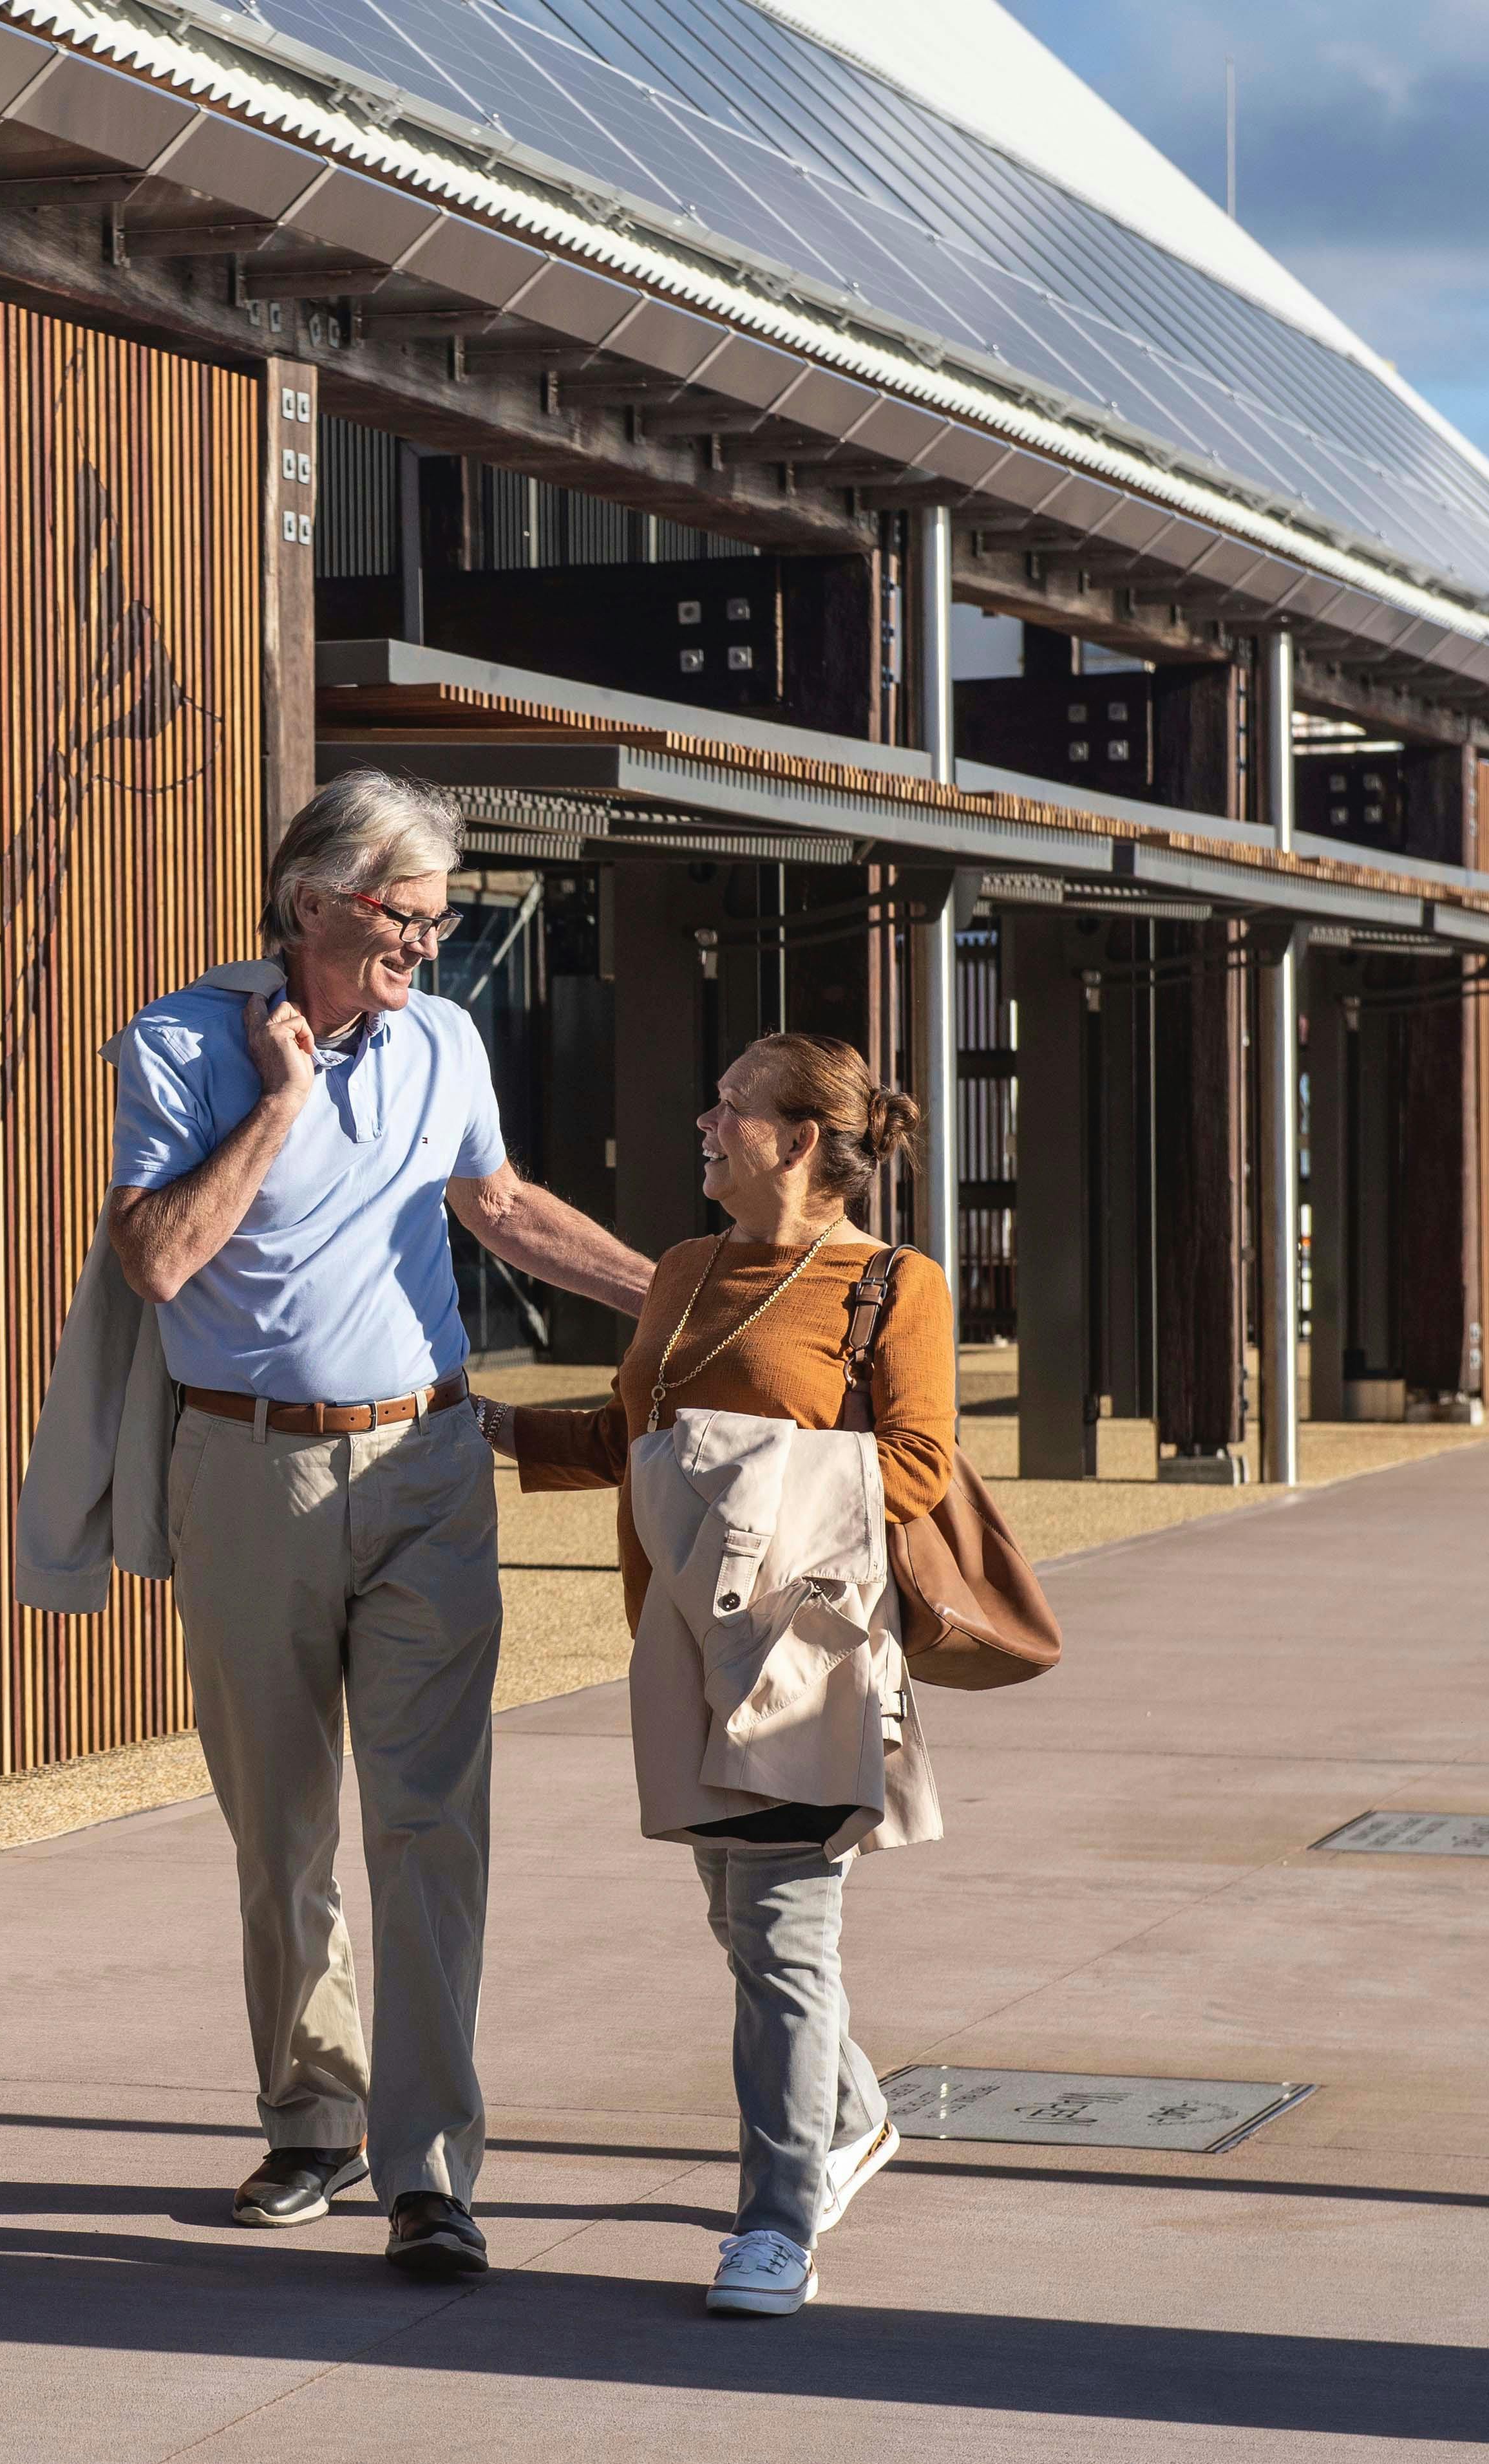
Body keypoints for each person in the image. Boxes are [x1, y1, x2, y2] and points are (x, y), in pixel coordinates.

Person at [102, 771, 656, 2280]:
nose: (425, 939)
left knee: (428, 1827)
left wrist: (685, 1292)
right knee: (278, 1828)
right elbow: (158, 1261)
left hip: (424, 1463)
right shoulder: (177, 1044)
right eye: (402, 913)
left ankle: (426, 2167)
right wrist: (279, 1103)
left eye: (436, 914)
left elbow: (503, 1208)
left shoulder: (447, 1037)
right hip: (244, 1476)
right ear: (311, 902)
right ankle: (308, 2121)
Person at [483, 1032, 955, 2318]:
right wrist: (481, 1425)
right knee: (743, 1931)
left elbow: (914, 1467)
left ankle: (776, 2222)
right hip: (682, 1649)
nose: (702, 1122)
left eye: (728, 1106)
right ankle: (851, 2113)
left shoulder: (891, 1286)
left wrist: (737, 1478)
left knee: (782, 1940)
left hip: (805, 1655)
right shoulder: (687, 1269)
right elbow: (634, 1432)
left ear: (799, 1139)